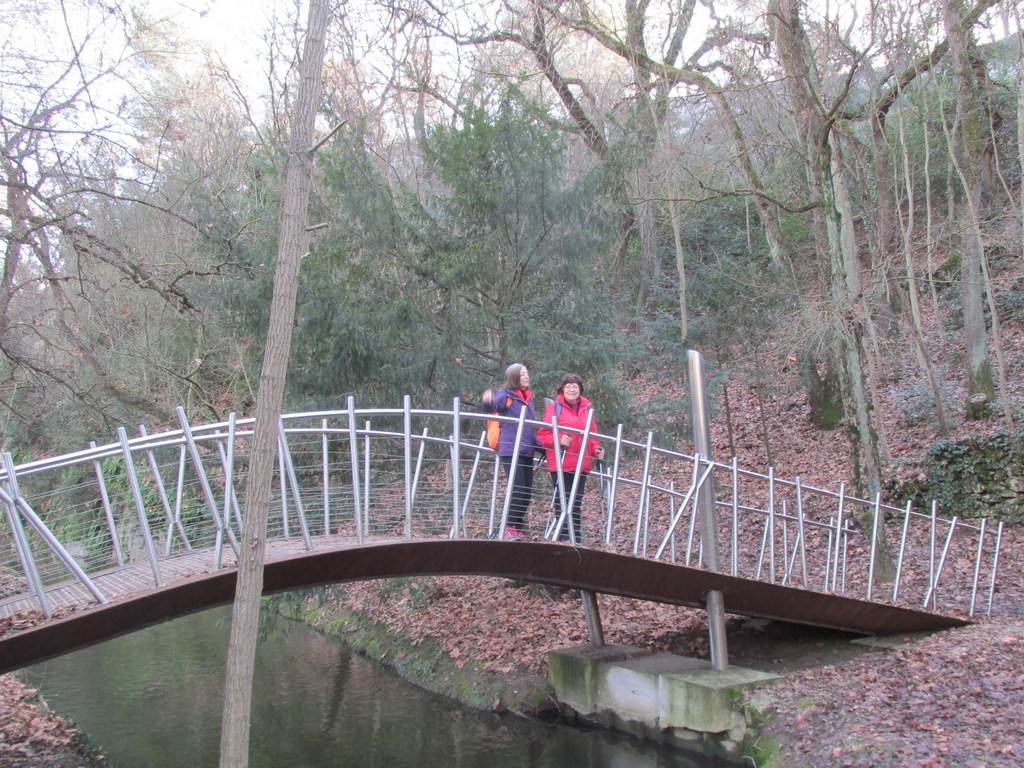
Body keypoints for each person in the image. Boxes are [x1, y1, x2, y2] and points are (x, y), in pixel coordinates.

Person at [537, 373, 604, 544]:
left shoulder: (587, 409)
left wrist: (596, 449)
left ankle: (574, 538)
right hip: (561, 461)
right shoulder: (555, 408)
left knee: (575, 501)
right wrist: (559, 440)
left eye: (575, 386)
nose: (572, 389)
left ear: (580, 389)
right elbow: (543, 435)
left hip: (581, 463)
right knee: (562, 500)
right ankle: (564, 536)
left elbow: (592, 435)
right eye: (569, 386)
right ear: (563, 389)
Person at [482, 363, 540, 539]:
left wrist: (542, 447)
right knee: (518, 488)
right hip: (510, 449)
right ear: (514, 377)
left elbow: (529, 430)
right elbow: (492, 408)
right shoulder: (505, 395)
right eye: (523, 374)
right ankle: (510, 527)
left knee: (526, 492)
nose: (526, 376)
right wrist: (487, 401)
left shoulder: (528, 400)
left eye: (527, 373)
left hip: (527, 450)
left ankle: (518, 528)